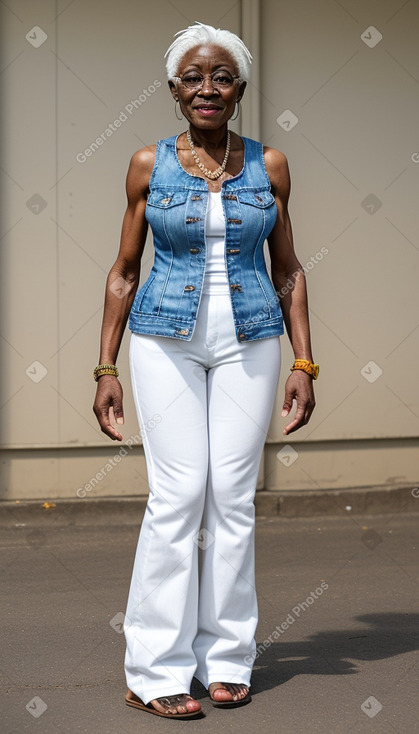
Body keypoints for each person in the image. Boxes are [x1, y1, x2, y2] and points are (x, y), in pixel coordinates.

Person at [93, 21, 318, 720]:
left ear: (240, 88)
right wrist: (106, 364)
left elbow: (287, 270)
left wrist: (304, 360)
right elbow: (125, 271)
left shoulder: (269, 165)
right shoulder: (145, 165)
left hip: (250, 337)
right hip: (163, 339)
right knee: (177, 496)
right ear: (173, 90)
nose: (207, 88)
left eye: (221, 76)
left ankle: (225, 659)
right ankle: (153, 668)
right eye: (193, 77)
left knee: (231, 497)